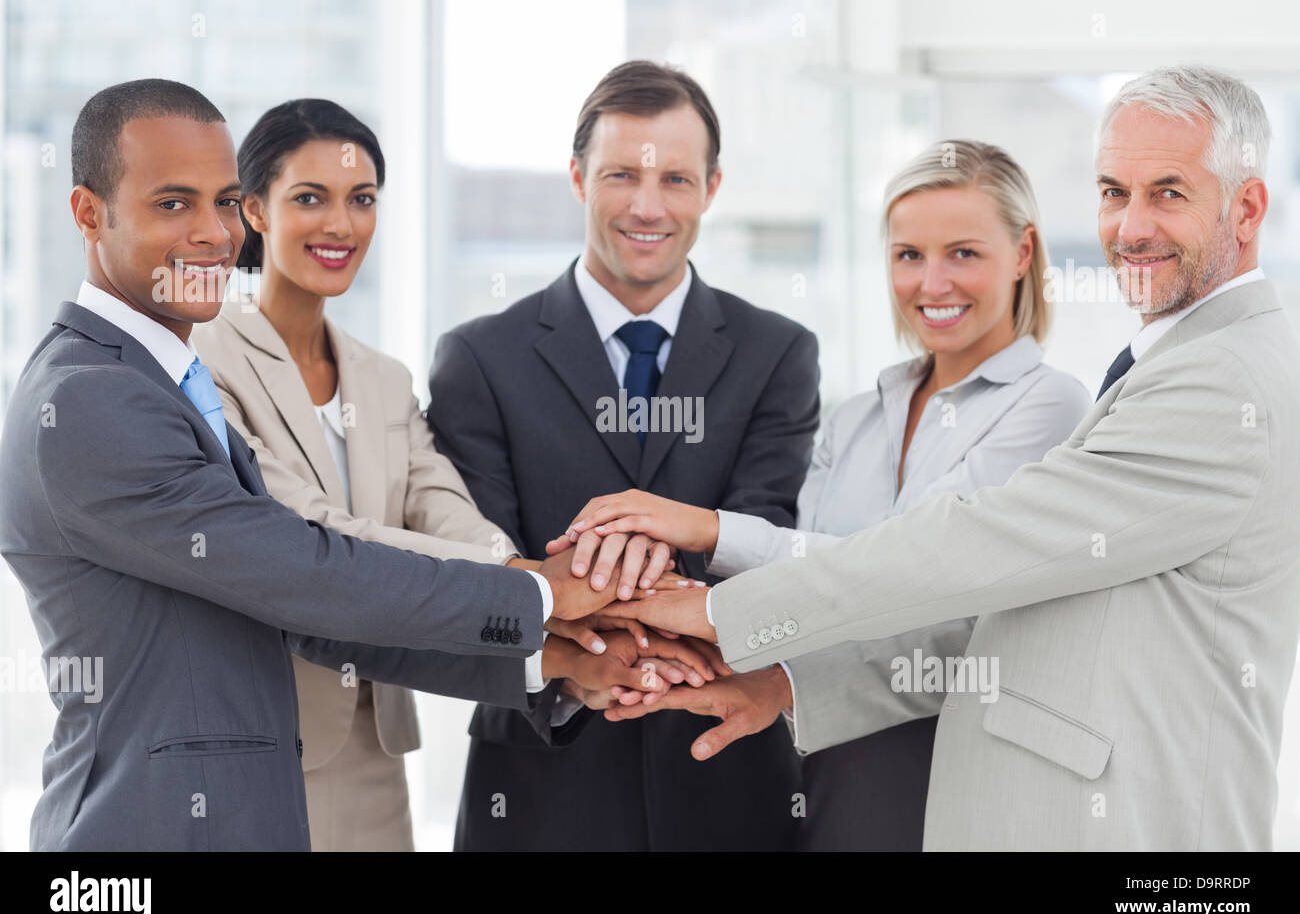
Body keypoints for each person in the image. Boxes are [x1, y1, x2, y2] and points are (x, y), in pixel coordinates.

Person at [597, 65, 1300, 851]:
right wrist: (787, 682)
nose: (1131, 226)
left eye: (1168, 192)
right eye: (1112, 191)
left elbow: (973, 546)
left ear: (1246, 209)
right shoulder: (1177, 361)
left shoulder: (1218, 379)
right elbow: (998, 610)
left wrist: (721, 607)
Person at [0, 79, 686, 851]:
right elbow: (309, 570)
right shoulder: (93, 399)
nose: (212, 234)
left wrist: (552, 663)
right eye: (171, 204)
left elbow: (307, 610)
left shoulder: (169, 378)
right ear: (88, 213)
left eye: (221, 202)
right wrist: (533, 594)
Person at [192, 99, 718, 851]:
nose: (340, 225)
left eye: (361, 199)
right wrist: (539, 589)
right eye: (310, 198)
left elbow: (445, 511)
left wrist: (553, 608)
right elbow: (308, 532)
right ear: (254, 212)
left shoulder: (381, 378)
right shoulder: (208, 360)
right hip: (259, 742)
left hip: (374, 754)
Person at [550, 140, 1091, 849]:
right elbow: (802, 590)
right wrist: (640, 606)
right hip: (831, 771)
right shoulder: (857, 418)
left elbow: (924, 577)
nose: (933, 283)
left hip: (958, 772)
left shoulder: (1050, 405)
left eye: (963, 253)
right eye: (908, 255)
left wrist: (709, 528)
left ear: (1023, 254)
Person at [428, 60, 821, 850]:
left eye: (676, 178)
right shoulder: (479, 358)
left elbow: (762, 541)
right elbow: (485, 571)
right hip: (540, 786)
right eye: (621, 176)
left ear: (711, 187)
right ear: (577, 177)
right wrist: (578, 660)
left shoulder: (778, 352)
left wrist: (623, 614)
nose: (648, 207)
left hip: (729, 777)